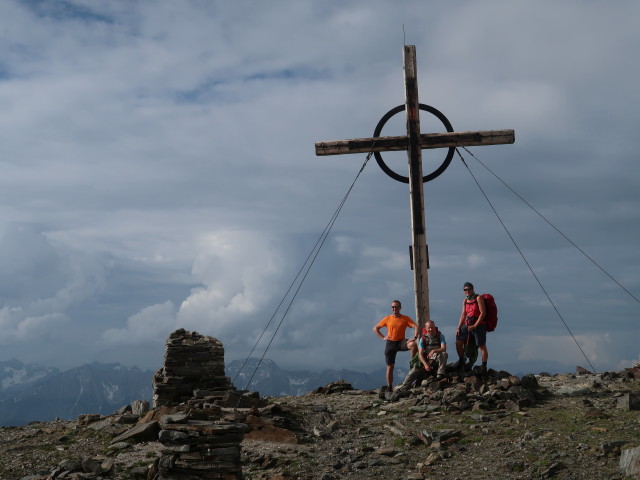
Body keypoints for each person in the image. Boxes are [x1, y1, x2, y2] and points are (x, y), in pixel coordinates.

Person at [373, 300, 418, 391]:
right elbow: (375, 328)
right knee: (390, 367)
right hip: (391, 343)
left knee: (413, 344)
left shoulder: (405, 318)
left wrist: (415, 337)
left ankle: (413, 364)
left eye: (396, 307)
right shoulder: (387, 318)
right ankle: (389, 387)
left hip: (401, 342)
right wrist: (383, 337)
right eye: (393, 307)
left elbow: (416, 326)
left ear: (400, 308)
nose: (394, 308)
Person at [455, 282, 488, 375]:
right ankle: (462, 360)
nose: (467, 291)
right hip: (468, 324)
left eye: (469, 289)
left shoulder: (478, 298)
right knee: (458, 342)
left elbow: (483, 313)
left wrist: (475, 325)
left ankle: (484, 366)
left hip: (479, 325)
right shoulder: (465, 301)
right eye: (465, 289)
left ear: (472, 289)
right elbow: (463, 315)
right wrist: (459, 327)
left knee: (482, 346)